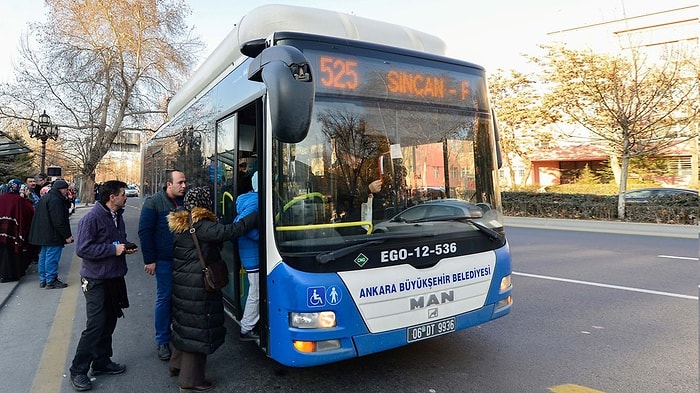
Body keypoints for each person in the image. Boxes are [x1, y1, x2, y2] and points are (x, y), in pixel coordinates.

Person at [167, 186, 257, 392]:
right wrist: (256, 214)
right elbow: (231, 231)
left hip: (185, 283)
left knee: (185, 326)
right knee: (199, 330)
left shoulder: (183, 222)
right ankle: (190, 381)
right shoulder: (202, 225)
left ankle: (176, 365)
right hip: (198, 285)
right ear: (204, 203)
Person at [69, 180, 136, 392]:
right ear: (111, 197)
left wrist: (124, 248)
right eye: (123, 194)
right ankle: (78, 370)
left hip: (114, 277)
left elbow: (116, 241)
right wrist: (112, 250)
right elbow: (83, 249)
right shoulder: (91, 218)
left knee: (109, 320)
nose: (126, 197)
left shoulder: (118, 215)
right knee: (96, 324)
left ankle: (101, 361)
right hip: (96, 279)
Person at [138, 170, 187, 361]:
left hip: (184, 260)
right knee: (165, 299)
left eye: (185, 182)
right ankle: (162, 340)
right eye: (180, 183)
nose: (184, 186)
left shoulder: (186, 201)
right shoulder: (153, 202)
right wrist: (149, 260)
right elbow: (145, 231)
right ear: (169, 184)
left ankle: (179, 335)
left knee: (182, 299)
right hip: (164, 260)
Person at [28, 179, 74, 289]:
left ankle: (43, 279)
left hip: (44, 234)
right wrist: (67, 235)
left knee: (43, 256)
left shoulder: (45, 197)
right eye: (65, 189)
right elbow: (59, 221)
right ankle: (51, 280)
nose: (66, 192)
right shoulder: (56, 200)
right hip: (53, 235)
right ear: (61, 189)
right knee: (52, 258)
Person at [236, 171, 260, 341]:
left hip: (251, 254)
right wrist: (264, 236)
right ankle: (247, 327)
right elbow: (241, 225)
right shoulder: (257, 201)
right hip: (254, 255)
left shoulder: (248, 198)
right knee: (256, 292)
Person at [0, 180, 35, 282]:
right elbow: (29, 212)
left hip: (2, 231)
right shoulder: (20, 200)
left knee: (2, 251)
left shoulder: (1, 198)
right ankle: (12, 274)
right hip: (14, 232)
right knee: (12, 253)